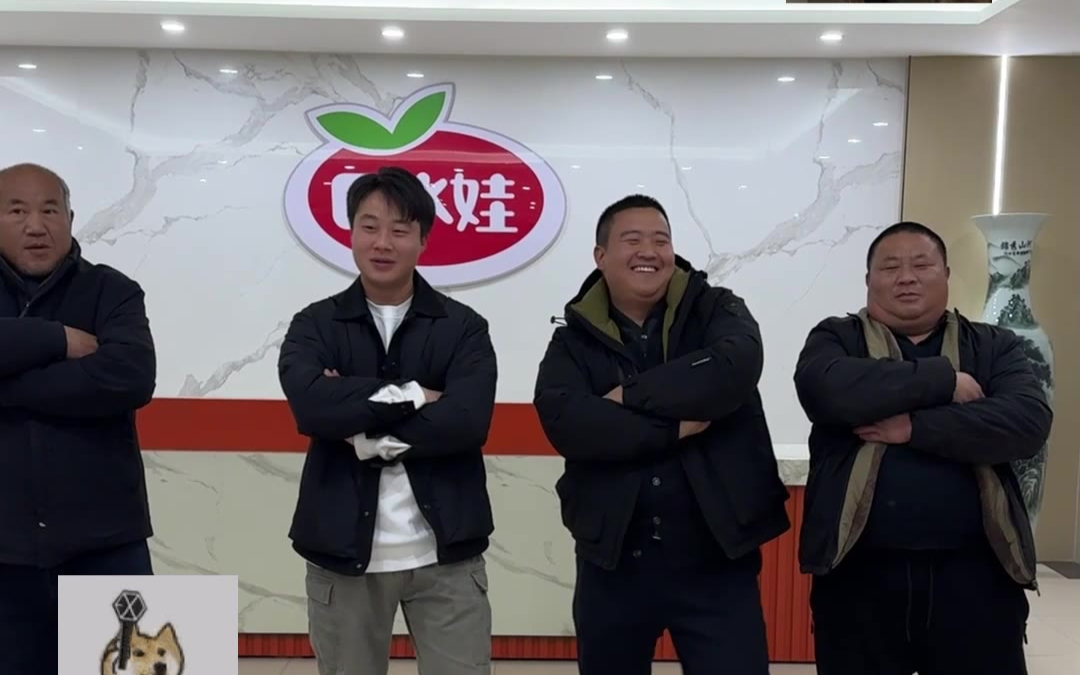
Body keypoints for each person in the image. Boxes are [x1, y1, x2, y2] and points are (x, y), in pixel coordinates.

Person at [533, 194, 790, 675]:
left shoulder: (716, 308)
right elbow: (568, 422)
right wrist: (674, 427)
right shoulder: (573, 338)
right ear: (601, 256)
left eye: (661, 240)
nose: (648, 251)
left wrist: (628, 397)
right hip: (613, 560)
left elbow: (733, 367)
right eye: (632, 240)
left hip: (717, 558)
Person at [794, 221, 1053, 675]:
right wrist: (944, 381)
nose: (906, 277)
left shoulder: (993, 346)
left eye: (921, 264)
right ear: (869, 279)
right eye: (890, 267)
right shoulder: (838, 339)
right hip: (860, 577)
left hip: (976, 578)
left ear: (946, 274)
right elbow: (827, 391)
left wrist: (913, 426)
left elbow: (1026, 423)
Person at [278, 166, 498, 675]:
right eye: (369, 226)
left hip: (447, 557)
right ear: (350, 232)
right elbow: (312, 408)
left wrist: (359, 430)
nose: (382, 243)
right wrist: (418, 394)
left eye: (399, 230)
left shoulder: (463, 328)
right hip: (342, 556)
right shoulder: (315, 325)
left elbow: (466, 422)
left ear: (423, 239)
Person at [0, 163, 157, 673]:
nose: (36, 225)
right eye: (17, 211)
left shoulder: (113, 291)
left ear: (70, 219)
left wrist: (9, 385)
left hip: (106, 545)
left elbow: (130, 377)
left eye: (50, 211)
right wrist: (57, 339)